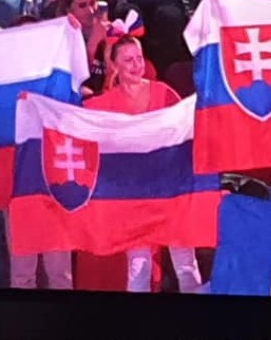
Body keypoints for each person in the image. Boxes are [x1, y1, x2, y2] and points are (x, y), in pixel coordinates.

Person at [81, 35, 204, 293]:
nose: (137, 65)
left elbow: (188, 129)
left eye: (139, 58)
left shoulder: (164, 93)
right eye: (128, 60)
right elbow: (74, 119)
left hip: (170, 194)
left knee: (186, 265)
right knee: (138, 269)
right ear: (114, 65)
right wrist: (35, 105)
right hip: (134, 200)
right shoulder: (106, 104)